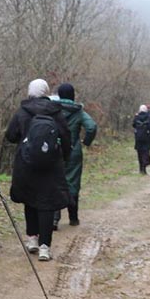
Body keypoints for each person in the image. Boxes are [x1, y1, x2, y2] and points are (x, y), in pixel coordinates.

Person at [4, 79, 72, 261]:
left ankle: (32, 239)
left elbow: (10, 135)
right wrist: (63, 157)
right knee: (47, 204)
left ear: (30, 92)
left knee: (30, 200)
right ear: (46, 92)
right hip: (51, 165)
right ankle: (44, 247)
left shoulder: (22, 111)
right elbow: (66, 138)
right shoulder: (56, 112)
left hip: (26, 164)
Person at [54, 82, 97, 227]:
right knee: (72, 183)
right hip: (73, 150)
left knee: (55, 181)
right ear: (73, 95)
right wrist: (86, 142)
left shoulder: (53, 110)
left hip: (55, 149)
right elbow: (91, 127)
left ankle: (54, 219)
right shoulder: (78, 111)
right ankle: (73, 217)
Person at [133, 104, 150, 174]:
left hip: (138, 137)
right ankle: (145, 166)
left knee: (139, 153)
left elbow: (133, 124)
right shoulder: (149, 117)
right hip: (147, 137)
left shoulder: (136, 117)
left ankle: (140, 168)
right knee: (146, 152)